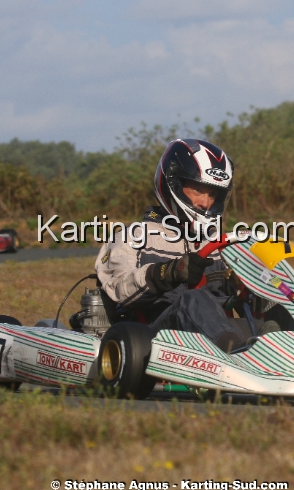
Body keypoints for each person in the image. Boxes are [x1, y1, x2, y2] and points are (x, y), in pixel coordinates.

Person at [95, 139, 248, 353]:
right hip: (154, 337)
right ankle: (239, 356)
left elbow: (236, 295)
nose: (206, 203)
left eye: (213, 194)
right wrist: (171, 272)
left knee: (275, 302)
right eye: (198, 189)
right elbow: (119, 289)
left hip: (218, 331)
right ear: (173, 183)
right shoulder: (134, 236)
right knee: (194, 298)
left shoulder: (218, 242)